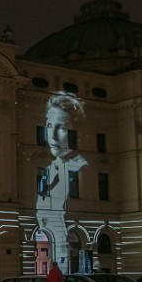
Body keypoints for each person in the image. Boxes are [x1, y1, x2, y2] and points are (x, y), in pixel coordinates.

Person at [36, 92, 87, 270]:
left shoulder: (78, 163)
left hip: (60, 211)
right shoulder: (53, 165)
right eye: (49, 126)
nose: (53, 136)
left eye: (62, 128)